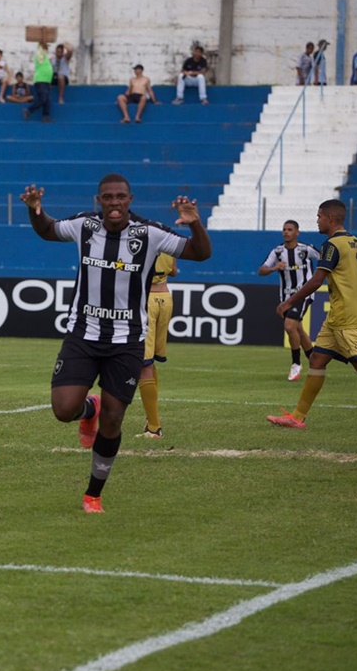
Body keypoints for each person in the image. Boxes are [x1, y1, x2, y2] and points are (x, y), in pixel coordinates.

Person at [20, 174, 213, 513]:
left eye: (120, 196)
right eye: (107, 197)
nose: (114, 202)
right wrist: (36, 210)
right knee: (63, 410)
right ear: (99, 200)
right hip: (82, 334)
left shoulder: (149, 233)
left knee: (114, 419)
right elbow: (48, 230)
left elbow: (200, 253)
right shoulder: (84, 227)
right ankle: (86, 409)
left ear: (130, 199)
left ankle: (93, 493)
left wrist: (196, 224)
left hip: (127, 341)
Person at [267, 199, 357, 434]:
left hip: (346, 319)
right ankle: (298, 417)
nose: (317, 220)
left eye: (319, 216)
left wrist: (289, 301)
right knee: (317, 360)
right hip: (338, 318)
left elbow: (316, 281)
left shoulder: (331, 246)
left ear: (330, 218)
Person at [258, 220, 319, 380]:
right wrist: (273, 268)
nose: (286, 232)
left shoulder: (305, 250)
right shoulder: (278, 252)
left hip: (303, 294)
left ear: (297, 232)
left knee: (289, 326)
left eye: (290, 229)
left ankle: (296, 364)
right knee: (298, 329)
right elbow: (261, 270)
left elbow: (325, 260)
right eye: (284, 229)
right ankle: (315, 361)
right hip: (285, 296)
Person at [136, 253, 178, 438]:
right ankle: (151, 419)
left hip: (146, 300)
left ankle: (154, 427)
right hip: (165, 298)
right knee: (150, 361)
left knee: (143, 363)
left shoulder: (138, 240)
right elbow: (174, 271)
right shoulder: (169, 244)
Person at [22, 41, 53, 122]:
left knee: (47, 100)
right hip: (40, 80)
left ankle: (45, 116)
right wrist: (42, 42)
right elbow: (40, 51)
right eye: (45, 47)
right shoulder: (39, 54)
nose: (46, 49)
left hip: (46, 81)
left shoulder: (45, 57)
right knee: (43, 99)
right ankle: (29, 110)